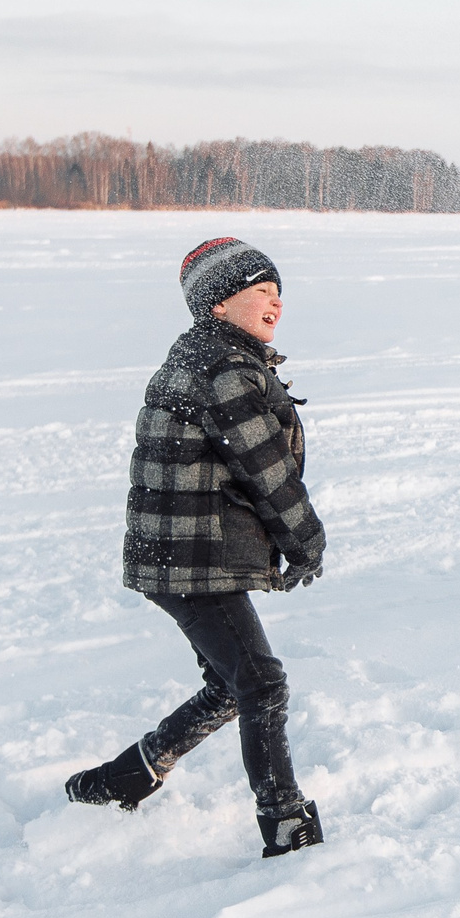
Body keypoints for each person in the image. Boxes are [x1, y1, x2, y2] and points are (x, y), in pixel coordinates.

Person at [67, 237, 328, 858]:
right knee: (260, 684)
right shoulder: (224, 369)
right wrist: (306, 540)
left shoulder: (210, 357)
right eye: (259, 292)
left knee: (234, 682)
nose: (275, 303)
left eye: (278, 292)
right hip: (191, 554)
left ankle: (124, 776)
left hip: (178, 553)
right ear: (218, 304)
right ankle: (286, 826)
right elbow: (266, 470)